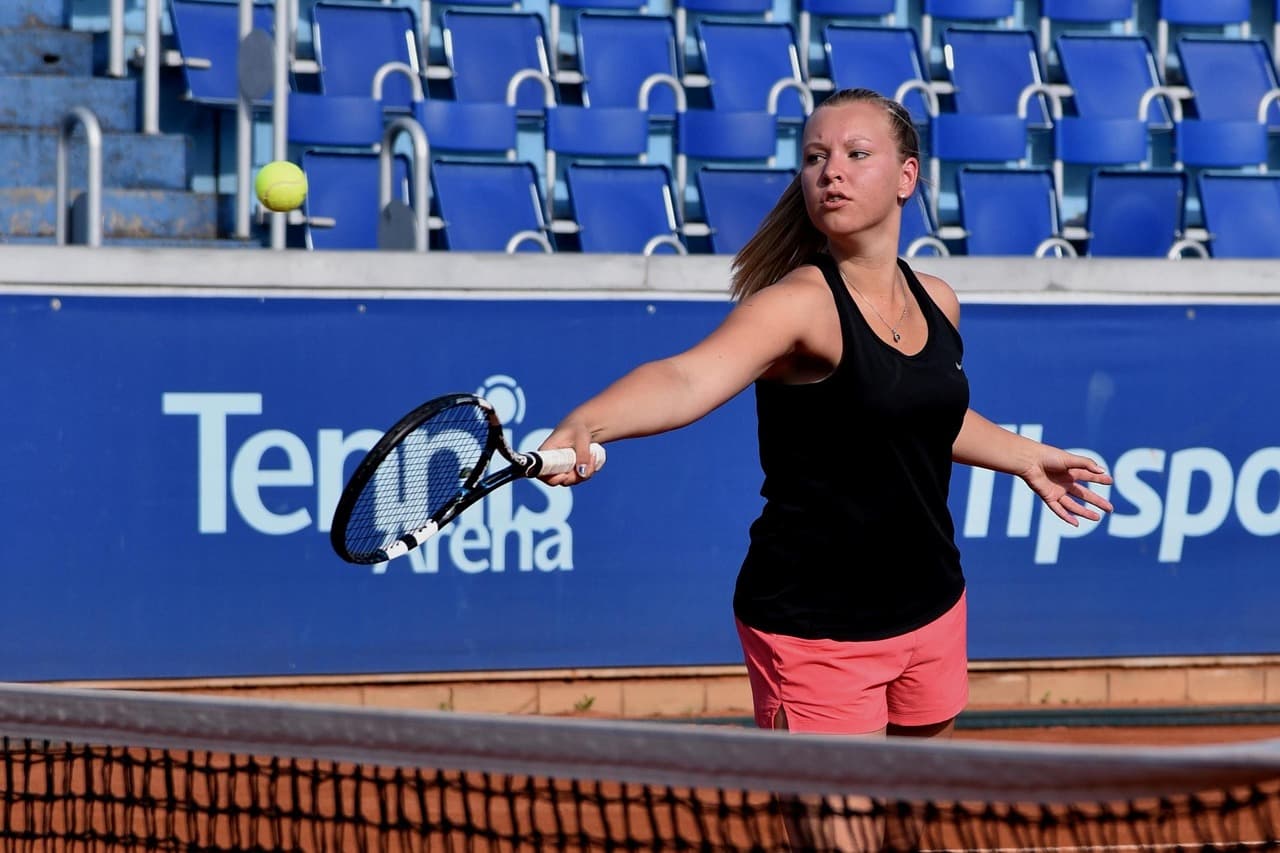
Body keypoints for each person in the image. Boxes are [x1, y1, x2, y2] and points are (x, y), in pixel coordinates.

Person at [539, 88, 1113, 743]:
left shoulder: (938, 300)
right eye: (815, 156)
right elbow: (686, 376)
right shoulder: (799, 304)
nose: (830, 170)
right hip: (817, 627)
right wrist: (590, 420)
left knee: (907, 824)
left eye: (855, 153)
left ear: (907, 176)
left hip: (932, 607)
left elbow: (922, 415)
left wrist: (1023, 455)